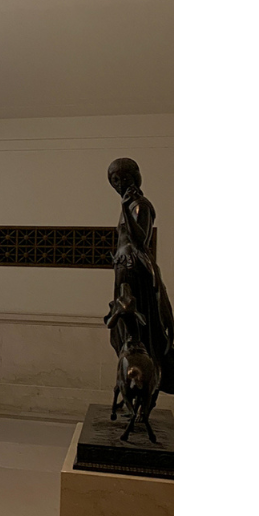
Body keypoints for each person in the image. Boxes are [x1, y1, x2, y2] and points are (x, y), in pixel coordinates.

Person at [104, 158, 174, 394]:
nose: (120, 184)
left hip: (136, 268)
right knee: (123, 328)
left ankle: (147, 378)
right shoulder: (128, 205)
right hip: (124, 269)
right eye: (115, 180)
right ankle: (130, 379)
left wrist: (126, 208)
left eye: (124, 178)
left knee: (139, 326)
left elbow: (140, 240)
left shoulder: (140, 205)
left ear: (135, 178)